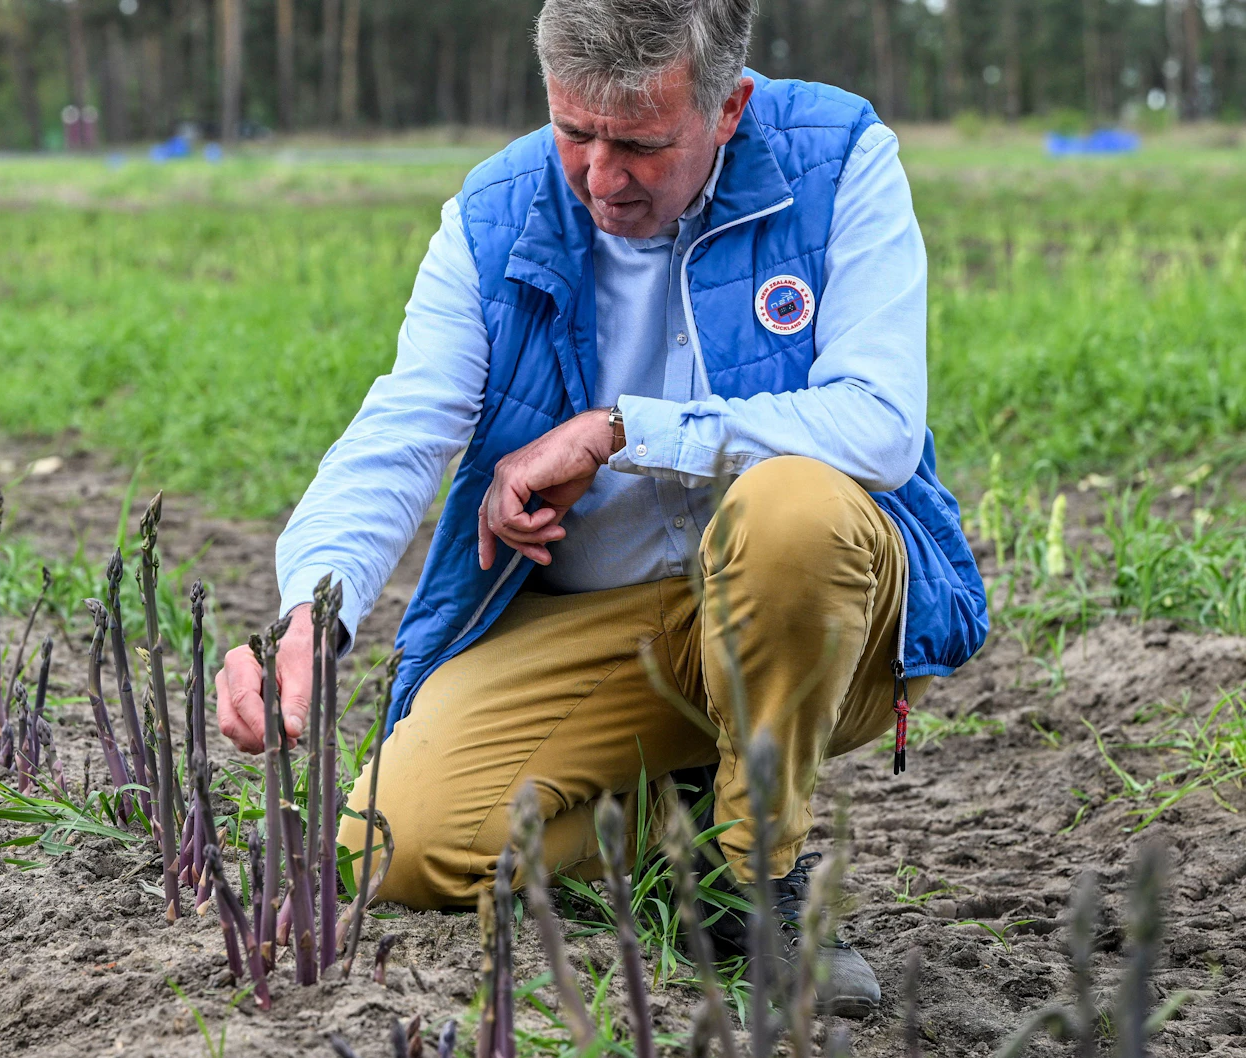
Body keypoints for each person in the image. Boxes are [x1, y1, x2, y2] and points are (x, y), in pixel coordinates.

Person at [214, 0, 987, 1016]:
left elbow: (877, 423)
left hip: (810, 611)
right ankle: (677, 823)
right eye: (572, 131)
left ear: (727, 109)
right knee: (388, 846)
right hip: (601, 625)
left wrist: (622, 428)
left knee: (787, 509)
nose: (597, 175)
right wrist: (311, 612)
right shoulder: (495, 214)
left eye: (637, 143)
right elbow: (400, 429)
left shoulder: (837, 159)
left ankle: (752, 885)